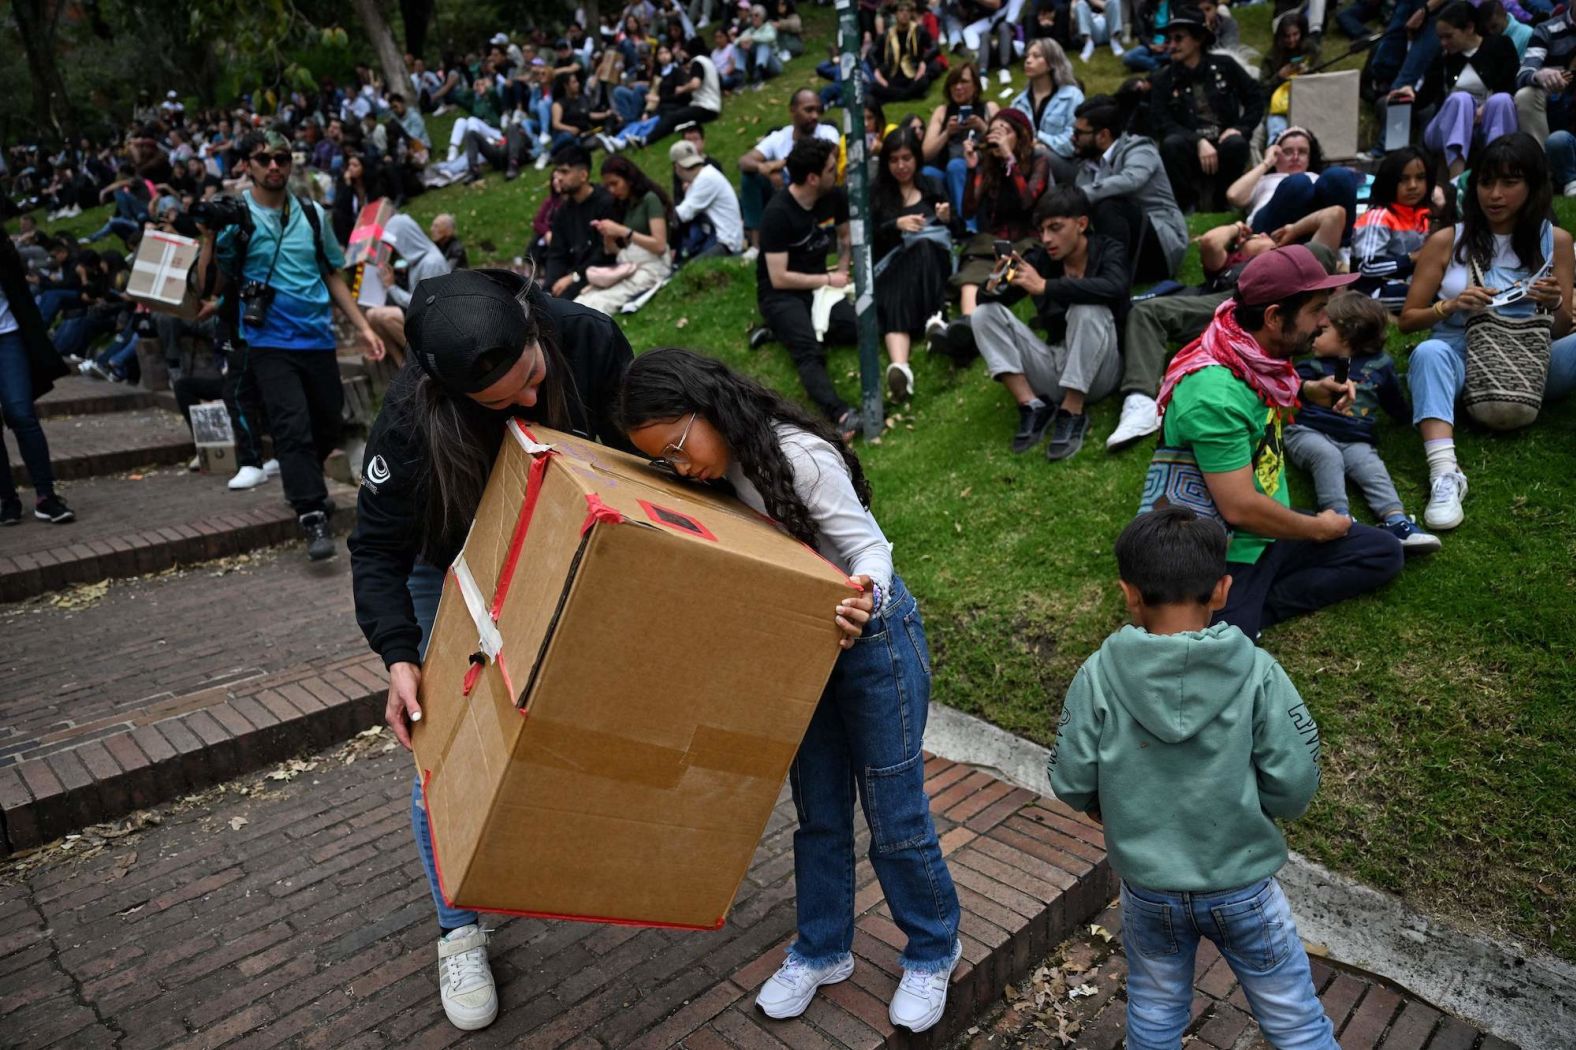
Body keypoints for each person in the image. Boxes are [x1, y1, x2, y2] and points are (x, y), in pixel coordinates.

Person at [618, 347, 963, 1034]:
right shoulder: (713, 477)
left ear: (710, 407)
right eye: (666, 461)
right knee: (820, 814)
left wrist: (863, 595)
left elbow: (870, 550)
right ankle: (823, 949)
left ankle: (932, 949)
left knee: (896, 818)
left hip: (874, 640)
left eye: (681, 447)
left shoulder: (799, 457)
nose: (682, 468)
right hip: (801, 652)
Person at [350, 268, 634, 1033]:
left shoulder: (588, 336)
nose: (533, 401)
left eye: (535, 378)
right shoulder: (410, 423)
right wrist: (399, 656)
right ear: (450, 394)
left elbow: (642, 453)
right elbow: (374, 551)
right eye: (505, 402)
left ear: (537, 332)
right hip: (446, 569)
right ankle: (458, 929)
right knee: (442, 752)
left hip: (561, 539)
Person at [1048, 506, 1338, 1050]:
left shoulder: (1097, 675)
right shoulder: (1258, 671)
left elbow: (1069, 776)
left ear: (1129, 593)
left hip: (1149, 889)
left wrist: (1101, 807)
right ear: (1223, 588)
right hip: (1244, 884)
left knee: (1155, 1016)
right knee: (1296, 1022)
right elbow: (1294, 780)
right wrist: (1266, 805)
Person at [1156, 245, 1404, 639]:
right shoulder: (1214, 395)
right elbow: (1238, 508)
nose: (1324, 322)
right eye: (1316, 309)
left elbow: (1263, 395)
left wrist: (1307, 391)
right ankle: (1240, 611)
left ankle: (1254, 606)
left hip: (1268, 530)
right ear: (1274, 317)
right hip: (1228, 548)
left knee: (1385, 552)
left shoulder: (1248, 352)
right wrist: (1316, 528)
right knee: (1218, 646)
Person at [197, 130, 385, 561]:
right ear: (248, 165)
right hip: (267, 340)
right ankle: (312, 512)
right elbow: (211, 284)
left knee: (326, 424)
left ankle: (302, 478)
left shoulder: (312, 213)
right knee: (291, 425)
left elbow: (333, 274)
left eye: (281, 157)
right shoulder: (237, 218)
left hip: (317, 338)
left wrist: (363, 327)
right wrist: (209, 237)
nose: (274, 166)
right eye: (264, 159)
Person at [1397, 132, 1576, 531]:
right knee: (1428, 354)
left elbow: (1561, 331)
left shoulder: (1556, 242)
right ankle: (1445, 473)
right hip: (1462, 359)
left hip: (1532, 362)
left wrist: (1555, 304)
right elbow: (1407, 319)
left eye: (1509, 183)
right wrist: (1452, 305)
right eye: (1485, 182)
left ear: (1533, 187)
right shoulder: (1447, 240)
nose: (1494, 194)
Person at [975, 186, 1129, 459]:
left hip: (1103, 369)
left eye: (1055, 228)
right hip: (1057, 365)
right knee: (983, 315)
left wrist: (1046, 287)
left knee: (1086, 309)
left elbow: (1114, 286)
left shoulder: (1108, 250)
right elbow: (990, 301)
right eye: (1043, 230)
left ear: (1081, 224)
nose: (1047, 239)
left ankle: (1072, 411)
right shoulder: (1042, 260)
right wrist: (994, 283)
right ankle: (1032, 405)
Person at [1283, 291, 1440, 553]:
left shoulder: (1380, 364)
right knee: (1327, 456)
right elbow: (1289, 387)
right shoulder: (1313, 366)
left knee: (1372, 468)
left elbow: (1392, 398)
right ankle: (1339, 518)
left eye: (1323, 331)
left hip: (1356, 438)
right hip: (1308, 432)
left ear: (1348, 334)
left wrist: (1407, 417)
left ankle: (1397, 521)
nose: (1315, 336)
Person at [754, 138, 863, 438]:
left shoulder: (834, 196)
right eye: (830, 168)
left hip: (819, 285)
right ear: (813, 178)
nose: (836, 172)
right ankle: (839, 413)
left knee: (857, 327)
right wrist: (829, 280)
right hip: (782, 293)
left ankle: (786, 330)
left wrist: (841, 269)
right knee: (808, 351)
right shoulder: (777, 215)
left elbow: (844, 239)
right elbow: (779, 277)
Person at [938, 109, 1051, 358]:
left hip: (1027, 241)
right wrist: (971, 169)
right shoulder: (988, 164)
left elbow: (1027, 201)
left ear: (1019, 137)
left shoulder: (1038, 160)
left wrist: (1010, 159)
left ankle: (966, 337)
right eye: (995, 130)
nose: (998, 136)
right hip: (991, 241)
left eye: (1006, 131)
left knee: (1004, 273)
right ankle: (967, 325)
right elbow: (968, 209)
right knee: (971, 275)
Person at [1149, 8, 1264, 213]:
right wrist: (1197, 141)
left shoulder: (1226, 66)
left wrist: (1241, 128)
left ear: (1198, 39)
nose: (1172, 45)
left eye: (1178, 38)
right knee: (1171, 144)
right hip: (1188, 145)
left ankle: (1224, 202)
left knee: (1236, 144)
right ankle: (1186, 207)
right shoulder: (1162, 79)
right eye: (1169, 39)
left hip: (1224, 141)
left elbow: (1256, 97)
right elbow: (1162, 122)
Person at [1390, 2, 1519, 178]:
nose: (1443, 43)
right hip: (1447, 125)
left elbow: (1509, 85)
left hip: (1487, 123)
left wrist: (1484, 109)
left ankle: (1498, 170)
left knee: (1502, 100)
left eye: (1448, 36)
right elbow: (1428, 93)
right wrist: (1410, 94)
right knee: (1461, 99)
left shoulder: (1500, 45)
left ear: (1469, 28)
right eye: (1440, 38)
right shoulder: (1443, 57)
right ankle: (1456, 180)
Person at [871, 127, 953, 401]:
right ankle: (900, 368)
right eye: (894, 160)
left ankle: (936, 320)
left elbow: (959, 230)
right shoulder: (879, 193)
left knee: (926, 247)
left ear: (916, 158)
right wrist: (896, 225)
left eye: (906, 158)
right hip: (894, 266)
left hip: (934, 262)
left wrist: (946, 216)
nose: (901, 166)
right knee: (896, 290)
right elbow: (869, 238)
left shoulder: (931, 186)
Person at [1072, 95, 1189, 282]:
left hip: (1163, 246)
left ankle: (1111, 277)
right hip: (1129, 250)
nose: (1073, 138)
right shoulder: (1086, 167)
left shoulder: (1140, 149)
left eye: (1079, 133)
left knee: (1108, 205)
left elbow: (1131, 179)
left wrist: (1080, 194)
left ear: (1103, 135)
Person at [0, 236, 74, 526]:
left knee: (21, 413)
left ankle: (46, 495)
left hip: (8, 335)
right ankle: (7, 499)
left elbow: (17, 282)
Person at [739, 90, 841, 251]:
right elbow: (744, 161)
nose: (814, 116)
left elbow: (826, 157)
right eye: (808, 110)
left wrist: (778, 164)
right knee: (750, 177)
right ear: (792, 110)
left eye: (817, 110)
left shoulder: (827, 132)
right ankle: (756, 245)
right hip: (784, 192)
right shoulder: (779, 137)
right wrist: (763, 167)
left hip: (816, 189)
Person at [1224, 127, 1363, 245]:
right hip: (1269, 229)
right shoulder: (1262, 179)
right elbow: (1233, 196)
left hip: (1314, 228)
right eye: (1288, 152)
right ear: (1276, 155)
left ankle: (1344, 251)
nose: (1295, 157)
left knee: (1340, 175)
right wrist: (1266, 163)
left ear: (1310, 157)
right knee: (1299, 183)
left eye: (1302, 152)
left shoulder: (1320, 179)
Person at [575, 156, 676, 314]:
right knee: (583, 298)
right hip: (630, 263)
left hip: (652, 266)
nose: (612, 190)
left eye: (615, 184)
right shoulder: (626, 205)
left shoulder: (650, 200)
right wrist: (608, 236)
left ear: (629, 179)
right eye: (608, 186)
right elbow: (616, 251)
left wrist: (623, 231)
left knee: (599, 302)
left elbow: (660, 245)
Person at [1352, 146, 1439, 309]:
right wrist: (1412, 257)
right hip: (1370, 292)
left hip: (1405, 282)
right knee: (1436, 295)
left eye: (1420, 178)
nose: (1413, 186)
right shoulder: (1378, 217)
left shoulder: (1425, 215)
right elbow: (1366, 266)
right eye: (1403, 179)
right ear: (1389, 182)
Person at [365, 215, 453, 366]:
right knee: (372, 315)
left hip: (435, 323)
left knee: (383, 316)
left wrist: (391, 286)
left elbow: (424, 304)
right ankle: (402, 365)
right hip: (420, 317)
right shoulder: (416, 262)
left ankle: (422, 363)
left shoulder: (431, 262)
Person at [920, 64, 999, 216]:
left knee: (956, 166)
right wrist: (947, 133)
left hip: (981, 168)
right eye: (954, 83)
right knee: (927, 172)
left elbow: (1002, 142)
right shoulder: (942, 112)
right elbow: (925, 154)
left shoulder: (989, 108)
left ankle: (966, 226)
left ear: (975, 86)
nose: (958, 87)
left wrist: (982, 127)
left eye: (964, 82)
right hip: (946, 167)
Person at [543, 145, 619, 300]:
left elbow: (604, 252)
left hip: (599, 271)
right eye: (557, 172)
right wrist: (548, 287)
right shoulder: (563, 212)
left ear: (583, 175)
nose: (558, 177)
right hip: (573, 273)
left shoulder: (606, 203)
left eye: (564, 172)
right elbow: (557, 253)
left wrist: (574, 276)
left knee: (561, 305)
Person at [1011, 38, 1085, 185]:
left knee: (1038, 154)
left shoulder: (1072, 96)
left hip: (1068, 167)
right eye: (1027, 56)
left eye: (1036, 56)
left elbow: (1074, 143)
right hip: (1027, 163)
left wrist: (1040, 140)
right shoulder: (1018, 102)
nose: (1028, 61)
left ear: (1052, 62)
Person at [670, 139, 745, 261]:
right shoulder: (702, 177)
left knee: (687, 273)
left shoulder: (706, 179)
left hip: (726, 245)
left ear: (676, 167)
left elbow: (681, 215)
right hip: (716, 240)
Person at [1513, 4, 1576, 146]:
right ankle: (1540, 161)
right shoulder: (1546, 29)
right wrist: (1540, 75)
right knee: (1526, 95)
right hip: (1559, 99)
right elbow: (1524, 73)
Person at [1260, 11, 1321, 144]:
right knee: (1277, 133)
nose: (1291, 39)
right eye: (1287, 36)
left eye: (1295, 34)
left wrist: (1308, 73)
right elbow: (1262, 91)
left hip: (1308, 104)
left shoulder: (1311, 51)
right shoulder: (1271, 57)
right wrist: (1279, 77)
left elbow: (1323, 81)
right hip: (1280, 108)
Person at [873, 0, 939, 101]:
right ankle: (906, 95)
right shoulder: (887, 34)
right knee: (874, 87)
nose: (905, 14)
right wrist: (877, 72)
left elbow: (935, 47)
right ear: (895, 14)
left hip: (914, 75)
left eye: (908, 11)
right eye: (901, 11)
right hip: (893, 77)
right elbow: (871, 53)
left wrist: (923, 62)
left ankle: (900, 95)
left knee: (924, 80)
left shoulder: (919, 30)